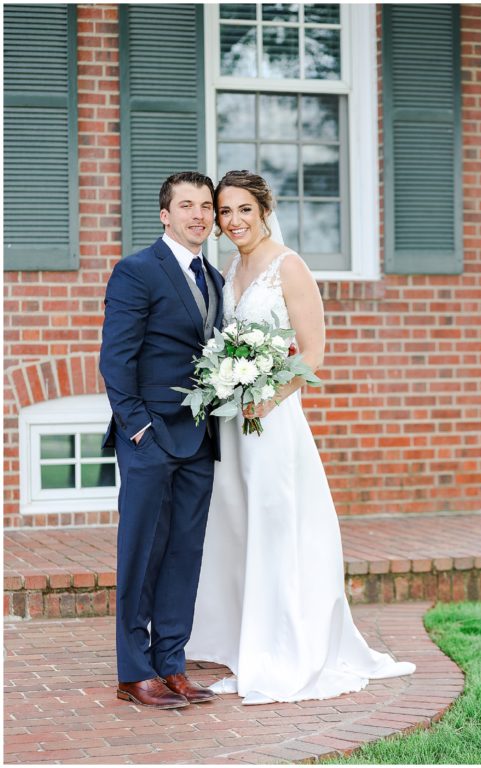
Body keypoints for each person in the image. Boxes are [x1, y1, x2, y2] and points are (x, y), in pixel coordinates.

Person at [185, 170, 415, 704]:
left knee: (277, 527)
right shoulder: (228, 270)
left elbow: (312, 352)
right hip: (233, 424)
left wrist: (268, 395)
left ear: (265, 210)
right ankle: (248, 645)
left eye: (244, 209)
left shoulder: (289, 267)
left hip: (271, 422)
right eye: (224, 211)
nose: (233, 220)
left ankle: (286, 648)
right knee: (240, 530)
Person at [100, 171, 224, 709]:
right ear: (165, 214)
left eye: (206, 206)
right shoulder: (136, 271)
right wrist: (138, 428)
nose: (199, 214)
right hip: (150, 436)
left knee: (184, 553)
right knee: (141, 553)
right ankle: (134, 671)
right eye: (187, 205)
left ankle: (171, 663)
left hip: (199, 439)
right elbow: (116, 358)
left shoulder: (214, 277)